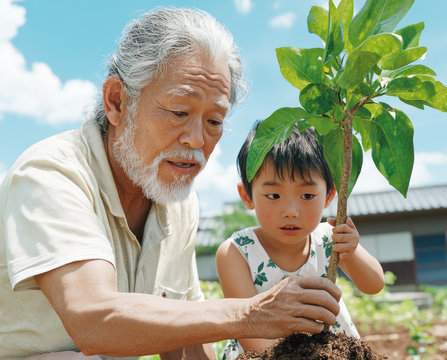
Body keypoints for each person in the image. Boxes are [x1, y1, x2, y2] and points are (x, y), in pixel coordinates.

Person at [0, 7, 343, 360]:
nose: (197, 139)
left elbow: (185, 336)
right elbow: (94, 320)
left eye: (214, 121)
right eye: (179, 112)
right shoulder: (52, 173)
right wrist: (251, 313)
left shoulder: (178, 201)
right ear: (116, 101)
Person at [216, 123, 386, 359]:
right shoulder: (237, 252)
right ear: (247, 196)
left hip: (329, 351)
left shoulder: (329, 237)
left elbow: (374, 284)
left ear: (328, 195)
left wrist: (352, 251)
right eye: (273, 195)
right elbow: (249, 331)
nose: (291, 211)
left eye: (307, 195)